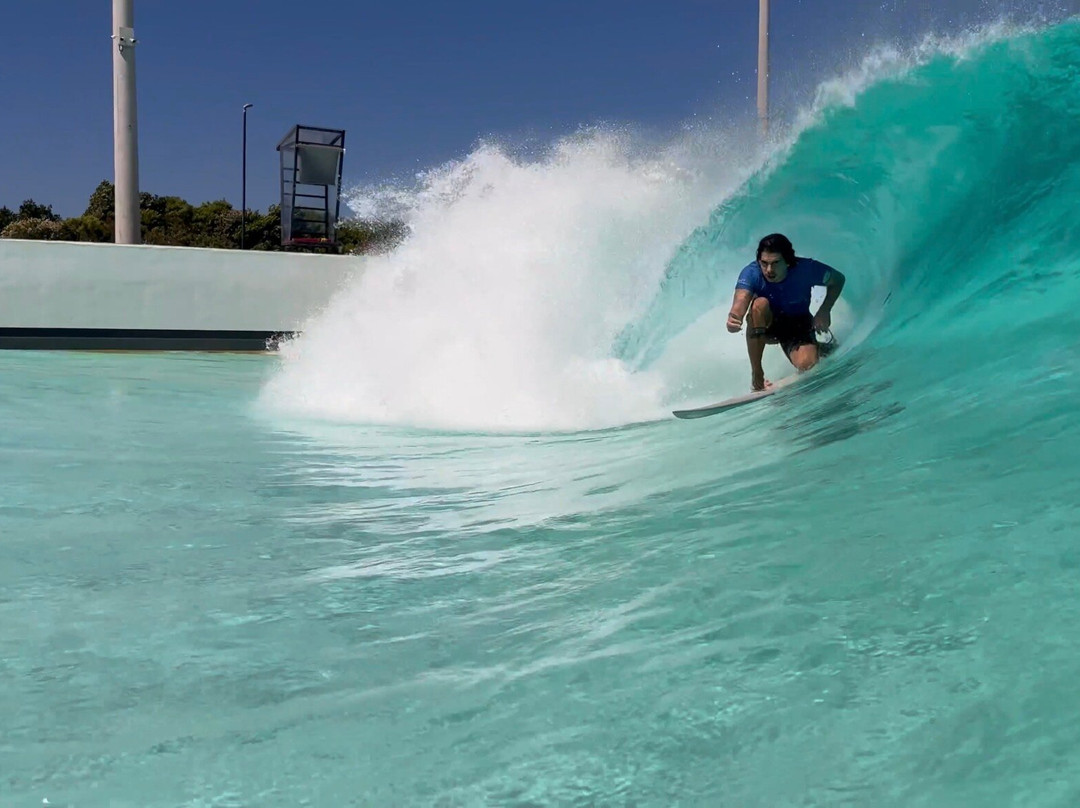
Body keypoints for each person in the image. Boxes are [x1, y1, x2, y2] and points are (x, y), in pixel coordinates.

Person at [725, 233, 846, 392]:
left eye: (775, 263)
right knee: (758, 305)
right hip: (767, 327)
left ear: (788, 261)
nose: (769, 270)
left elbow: (838, 279)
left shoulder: (806, 269)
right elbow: (741, 300)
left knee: (807, 365)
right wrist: (734, 317)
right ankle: (757, 375)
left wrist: (824, 310)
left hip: (798, 325)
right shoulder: (752, 273)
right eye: (764, 263)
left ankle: (819, 349)